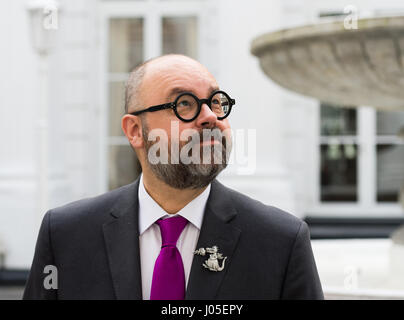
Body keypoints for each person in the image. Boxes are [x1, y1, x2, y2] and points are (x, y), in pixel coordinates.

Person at [23, 54, 323, 300]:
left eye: (216, 102)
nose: (210, 116)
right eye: (184, 104)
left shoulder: (281, 242)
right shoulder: (65, 236)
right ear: (135, 131)